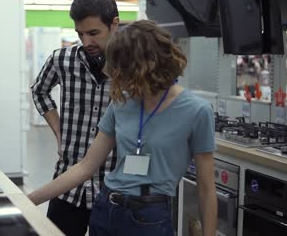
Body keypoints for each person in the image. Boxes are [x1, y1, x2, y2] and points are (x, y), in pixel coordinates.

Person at [29, 20, 217, 236]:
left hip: (148, 218)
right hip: (105, 210)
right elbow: (85, 168)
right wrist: (27, 201)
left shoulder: (197, 111)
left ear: (146, 65)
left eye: (123, 72)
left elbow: (206, 188)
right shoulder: (122, 103)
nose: (117, 79)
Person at [30, 0, 119, 235]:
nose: (86, 42)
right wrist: (58, 131)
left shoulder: (131, 66)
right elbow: (39, 91)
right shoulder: (62, 60)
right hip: (67, 185)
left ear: (114, 24)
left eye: (93, 33)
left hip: (113, 189)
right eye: (80, 34)